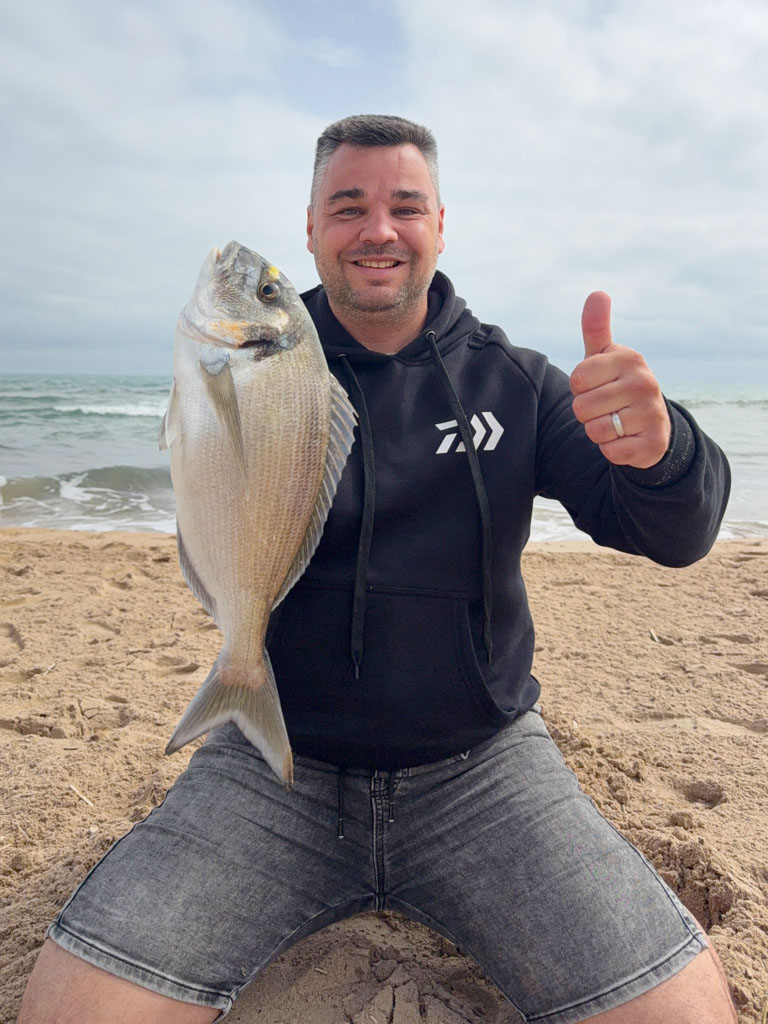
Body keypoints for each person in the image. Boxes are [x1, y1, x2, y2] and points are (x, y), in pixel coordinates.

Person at [18, 115, 736, 1024]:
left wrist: (664, 454)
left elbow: (676, 536)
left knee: (681, 1013)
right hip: (276, 765)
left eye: (405, 206)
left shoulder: (516, 383)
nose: (378, 230)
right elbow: (209, 471)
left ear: (440, 223)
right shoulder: (262, 359)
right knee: (75, 1009)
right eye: (349, 207)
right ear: (312, 226)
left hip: (483, 772)